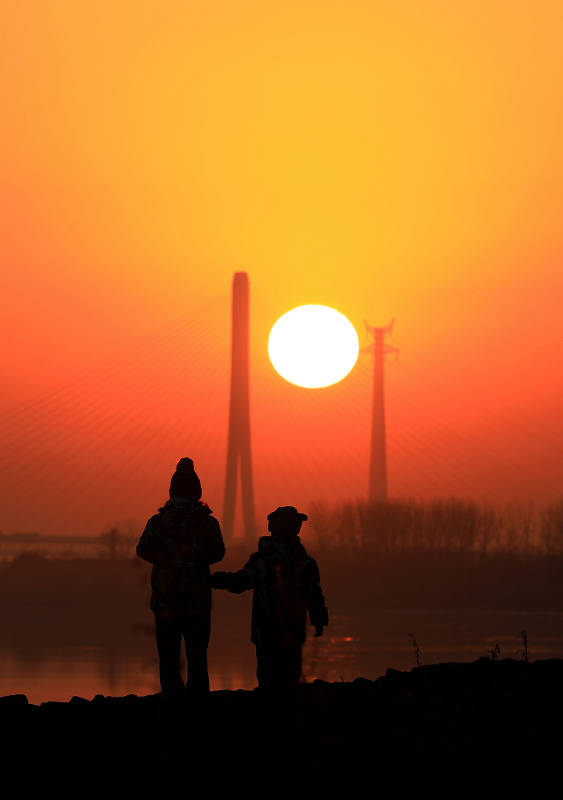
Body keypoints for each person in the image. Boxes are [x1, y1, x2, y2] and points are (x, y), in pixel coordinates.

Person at [211, 505, 328, 690]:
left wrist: (212, 579)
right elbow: (314, 593)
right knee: (291, 680)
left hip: (266, 631)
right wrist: (319, 619)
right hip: (292, 631)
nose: (297, 526)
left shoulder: (264, 560)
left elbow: (240, 582)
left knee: (268, 681)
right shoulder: (305, 561)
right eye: (294, 523)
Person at [136, 458, 225, 699]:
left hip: (166, 600)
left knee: (168, 656)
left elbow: (142, 549)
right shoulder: (207, 522)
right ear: (197, 491)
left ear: (172, 490)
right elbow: (219, 552)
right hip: (198, 600)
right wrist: (195, 562)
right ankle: (197, 705)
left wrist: (166, 562)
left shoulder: (159, 522)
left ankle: (173, 705)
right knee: (198, 656)